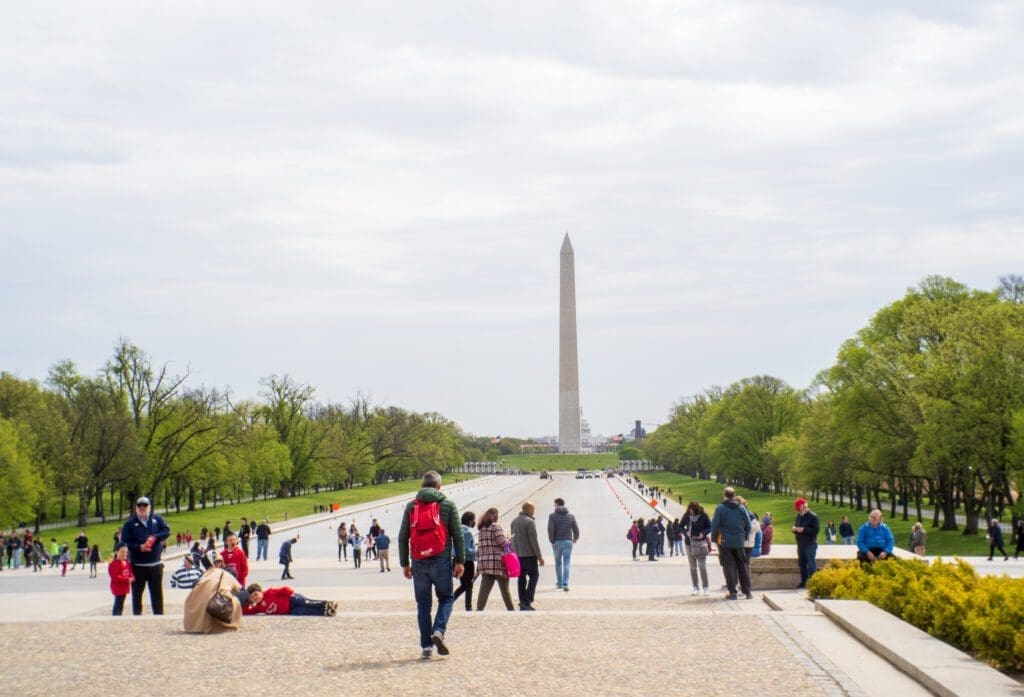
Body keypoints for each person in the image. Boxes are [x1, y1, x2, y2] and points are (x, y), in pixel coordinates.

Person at [398, 470, 465, 660]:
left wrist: (405, 563)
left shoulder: (412, 506)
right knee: (446, 598)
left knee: (423, 605)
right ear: (439, 486)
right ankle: (439, 631)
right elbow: (458, 535)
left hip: (419, 561)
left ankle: (426, 646)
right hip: (441, 559)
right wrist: (460, 561)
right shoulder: (448, 504)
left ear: (422, 486)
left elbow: (403, 537)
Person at [120, 496, 170, 615]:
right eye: (139, 505)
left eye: (145, 505)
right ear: (136, 507)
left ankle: (159, 615)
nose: (142, 508)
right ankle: (137, 616)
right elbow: (124, 542)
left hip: (155, 564)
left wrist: (155, 537)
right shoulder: (129, 523)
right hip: (138, 565)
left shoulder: (157, 520)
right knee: (137, 594)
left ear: (149, 507)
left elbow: (167, 531)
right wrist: (139, 547)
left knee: (157, 594)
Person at [710, 487, 752, 600]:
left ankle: (733, 592)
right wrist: (744, 536)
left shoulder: (720, 508)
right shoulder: (741, 507)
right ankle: (747, 591)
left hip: (725, 542)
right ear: (734, 495)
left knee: (729, 567)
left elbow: (715, 525)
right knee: (742, 566)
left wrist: (713, 538)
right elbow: (748, 524)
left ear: (724, 495)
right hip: (739, 541)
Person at [476, 507, 515, 612]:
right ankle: (511, 609)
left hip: (484, 562)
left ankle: (479, 609)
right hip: (497, 562)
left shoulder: (481, 528)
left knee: (484, 589)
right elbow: (501, 543)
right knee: (505, 589)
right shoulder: (496, 526)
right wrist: (508, 540)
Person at [183, 565, 242, 633]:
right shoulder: (228, 577)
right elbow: (230, 590)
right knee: (235, 601)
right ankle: (228, 625)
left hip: (194, 601)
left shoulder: (210, 572)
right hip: (209, 608)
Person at [510, 501, 544, 611]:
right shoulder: (530, 522)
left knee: (521, 579)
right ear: (529, 510)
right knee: (534, 576)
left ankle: (522, 600)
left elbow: (512, 539)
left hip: (518, 555)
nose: (534, 512)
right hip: (529, 555)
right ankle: (527, 600)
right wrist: (540, 557)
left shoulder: (514, 521)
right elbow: (533, 541)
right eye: (533, 509)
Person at [243, 583, 337, 616]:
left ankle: (326, 603)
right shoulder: (259, 608)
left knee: (307, 603)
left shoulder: (269, 592)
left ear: (260, 591)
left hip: (291, 599)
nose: (255, 597)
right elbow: (247, 612)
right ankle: (325, 612)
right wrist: (247, 602)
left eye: (255, 594)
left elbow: (284, 589)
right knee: (303, 611)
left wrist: (291, 594)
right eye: (252, 597)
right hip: (289, 610)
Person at [548, 497, 579, 591]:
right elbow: (576, 529)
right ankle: (566, 583)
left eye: (554, 504)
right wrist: (575, 538)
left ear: (557, 504)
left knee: (558, 563)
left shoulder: (552, 516)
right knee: (566, 562)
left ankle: (559, 583)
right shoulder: (571, 516)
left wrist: (552, 541)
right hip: (568, 542)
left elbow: (550, 530)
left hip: (557, 542)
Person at [681, 501, 711, 596]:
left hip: (700, 543)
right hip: (689, 543)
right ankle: (695, 587)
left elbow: (709, 526)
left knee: (702, 566)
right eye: (690, 511)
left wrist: (703, 533)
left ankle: (706, 587)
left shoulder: (703, 515)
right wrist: (686, 533)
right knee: (693, 567)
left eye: (693, 511)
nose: (692, 513)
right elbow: (680, 526)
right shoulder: (686, 515)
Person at [452, 512, 477, 612]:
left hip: (456, 559)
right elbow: (465, 549)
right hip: (467, 561)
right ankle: (468, 606)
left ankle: (452, 599)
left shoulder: (457, 530)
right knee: (469, 584)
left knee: (465, 584)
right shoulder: (467, 532)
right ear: (470, 521)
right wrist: (476, 550)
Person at [792, 497, 819, 589]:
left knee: (811, 563)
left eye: (804, 505)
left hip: (810, 543)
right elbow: (797, 526)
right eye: (801, 506)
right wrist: (795, 529)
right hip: (800, 544)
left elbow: (816, 530)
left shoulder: (813, 516)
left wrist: (803, 529)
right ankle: (804, 582)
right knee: (802, 563)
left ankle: (814, 582)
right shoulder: (799, 516)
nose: (803, 507)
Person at [108, 545, 134, 616]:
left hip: (125, 586)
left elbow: (130, 571)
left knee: (121, 602)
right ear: (117, 552)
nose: (124, 554)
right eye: (122, 552)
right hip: (118, 587)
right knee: (118, 602)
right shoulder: (114, 563)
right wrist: (126, 579)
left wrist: (132, 577)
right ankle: (116, 615)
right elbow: (115, 576)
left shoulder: (126, 561)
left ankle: (119, 614)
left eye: (126, 552)